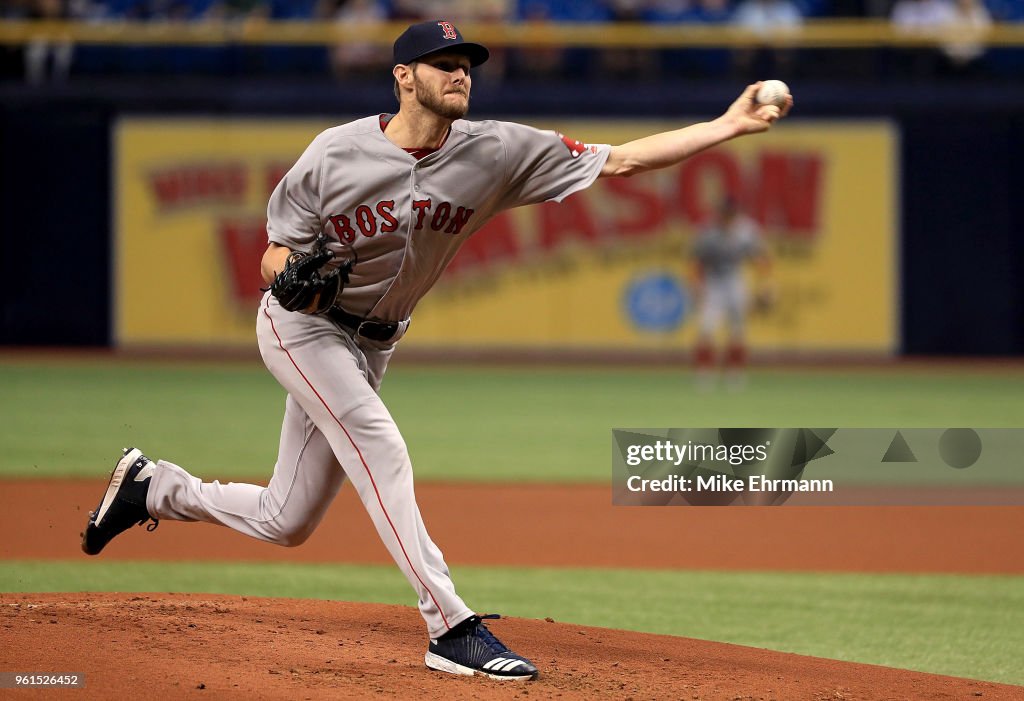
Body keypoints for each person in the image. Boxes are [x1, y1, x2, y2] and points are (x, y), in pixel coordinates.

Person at [81, 19, 791, 681]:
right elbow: (275, 252)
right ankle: (450, 626)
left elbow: (624, 161)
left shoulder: (500, 150)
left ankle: (153, 486)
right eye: (443, 64)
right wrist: (285, 276)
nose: (460, 74)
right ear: (402, 77)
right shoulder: (334, 152)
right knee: (380, 445)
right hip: (303, 329)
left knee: (286, 517)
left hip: (375, 344)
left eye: (466, 65)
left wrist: (731, 125)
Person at [690, 197, 773, 389]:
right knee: (706, 328)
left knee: (738, 329)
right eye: (725, 213)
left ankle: (735, 373)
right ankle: (704, 374)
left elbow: (761, 258)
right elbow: (695, 261)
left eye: (731, 214)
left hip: (735, 279)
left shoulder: (746, 230)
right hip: (713, 282)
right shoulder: (708, 231)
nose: (727, 218)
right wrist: (695, 285)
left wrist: (765, 284)